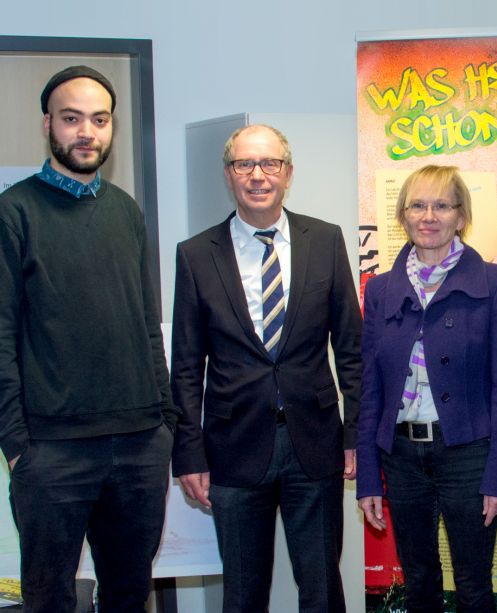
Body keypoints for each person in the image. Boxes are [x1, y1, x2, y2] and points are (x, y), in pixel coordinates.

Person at [0, 65, 177, 611]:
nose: (87, 132)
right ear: (47, 123)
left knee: (128, 594)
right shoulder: (14, 211)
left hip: (140, 442)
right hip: (51, 451)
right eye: (72, 118)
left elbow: (146, 322)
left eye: (99, 120)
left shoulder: (125, 210)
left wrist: (165, 419)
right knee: (50, 598)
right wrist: (16, 445)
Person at [170, 124, 361, 612]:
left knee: (321, 587)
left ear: (288, 173)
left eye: (269, 164)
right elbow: (188, 366)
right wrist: (188, 453)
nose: (257, 175)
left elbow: (351, 348)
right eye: (244, 165)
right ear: (229, 175)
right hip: (233, 448)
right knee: (242, 593)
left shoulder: (325, 240)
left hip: (315, 443)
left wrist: (355, 435)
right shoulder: (195, 255)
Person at [356, 165, 497, 613]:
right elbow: (370, 389)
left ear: (461, 216)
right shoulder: (381, 290)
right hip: (402, 458)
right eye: (418, 205)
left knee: (473, 585)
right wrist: (369, 477)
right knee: (419, 583)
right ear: (404, 215)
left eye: (442, 205)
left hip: (469, 456)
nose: (429, 215)